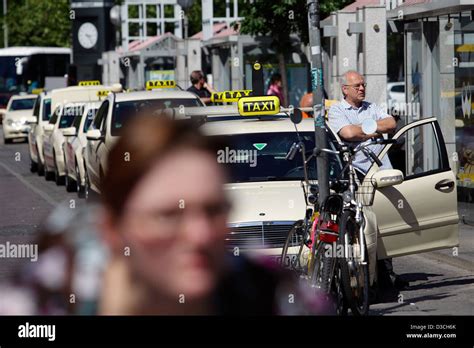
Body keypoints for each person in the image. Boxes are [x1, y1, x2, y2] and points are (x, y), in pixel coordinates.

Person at [97, 115, 332, 315]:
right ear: (113, 229)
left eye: (214, 211)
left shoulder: (281, 298)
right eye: (167, 216)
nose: (200, 235)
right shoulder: (67, 293)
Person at [327, 70, 408, 298]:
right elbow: (348, 132)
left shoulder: (371, 107)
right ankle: (371, 279)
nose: (362, 89)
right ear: (345, 89)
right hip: (360, 175)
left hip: (383, 172)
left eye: (363, 85)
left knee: (387, 222)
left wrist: (365, 131)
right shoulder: (337, 110)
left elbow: (391, 123)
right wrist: (373, 130)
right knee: (366, 226)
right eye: (357, 86)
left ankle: (386, 274)